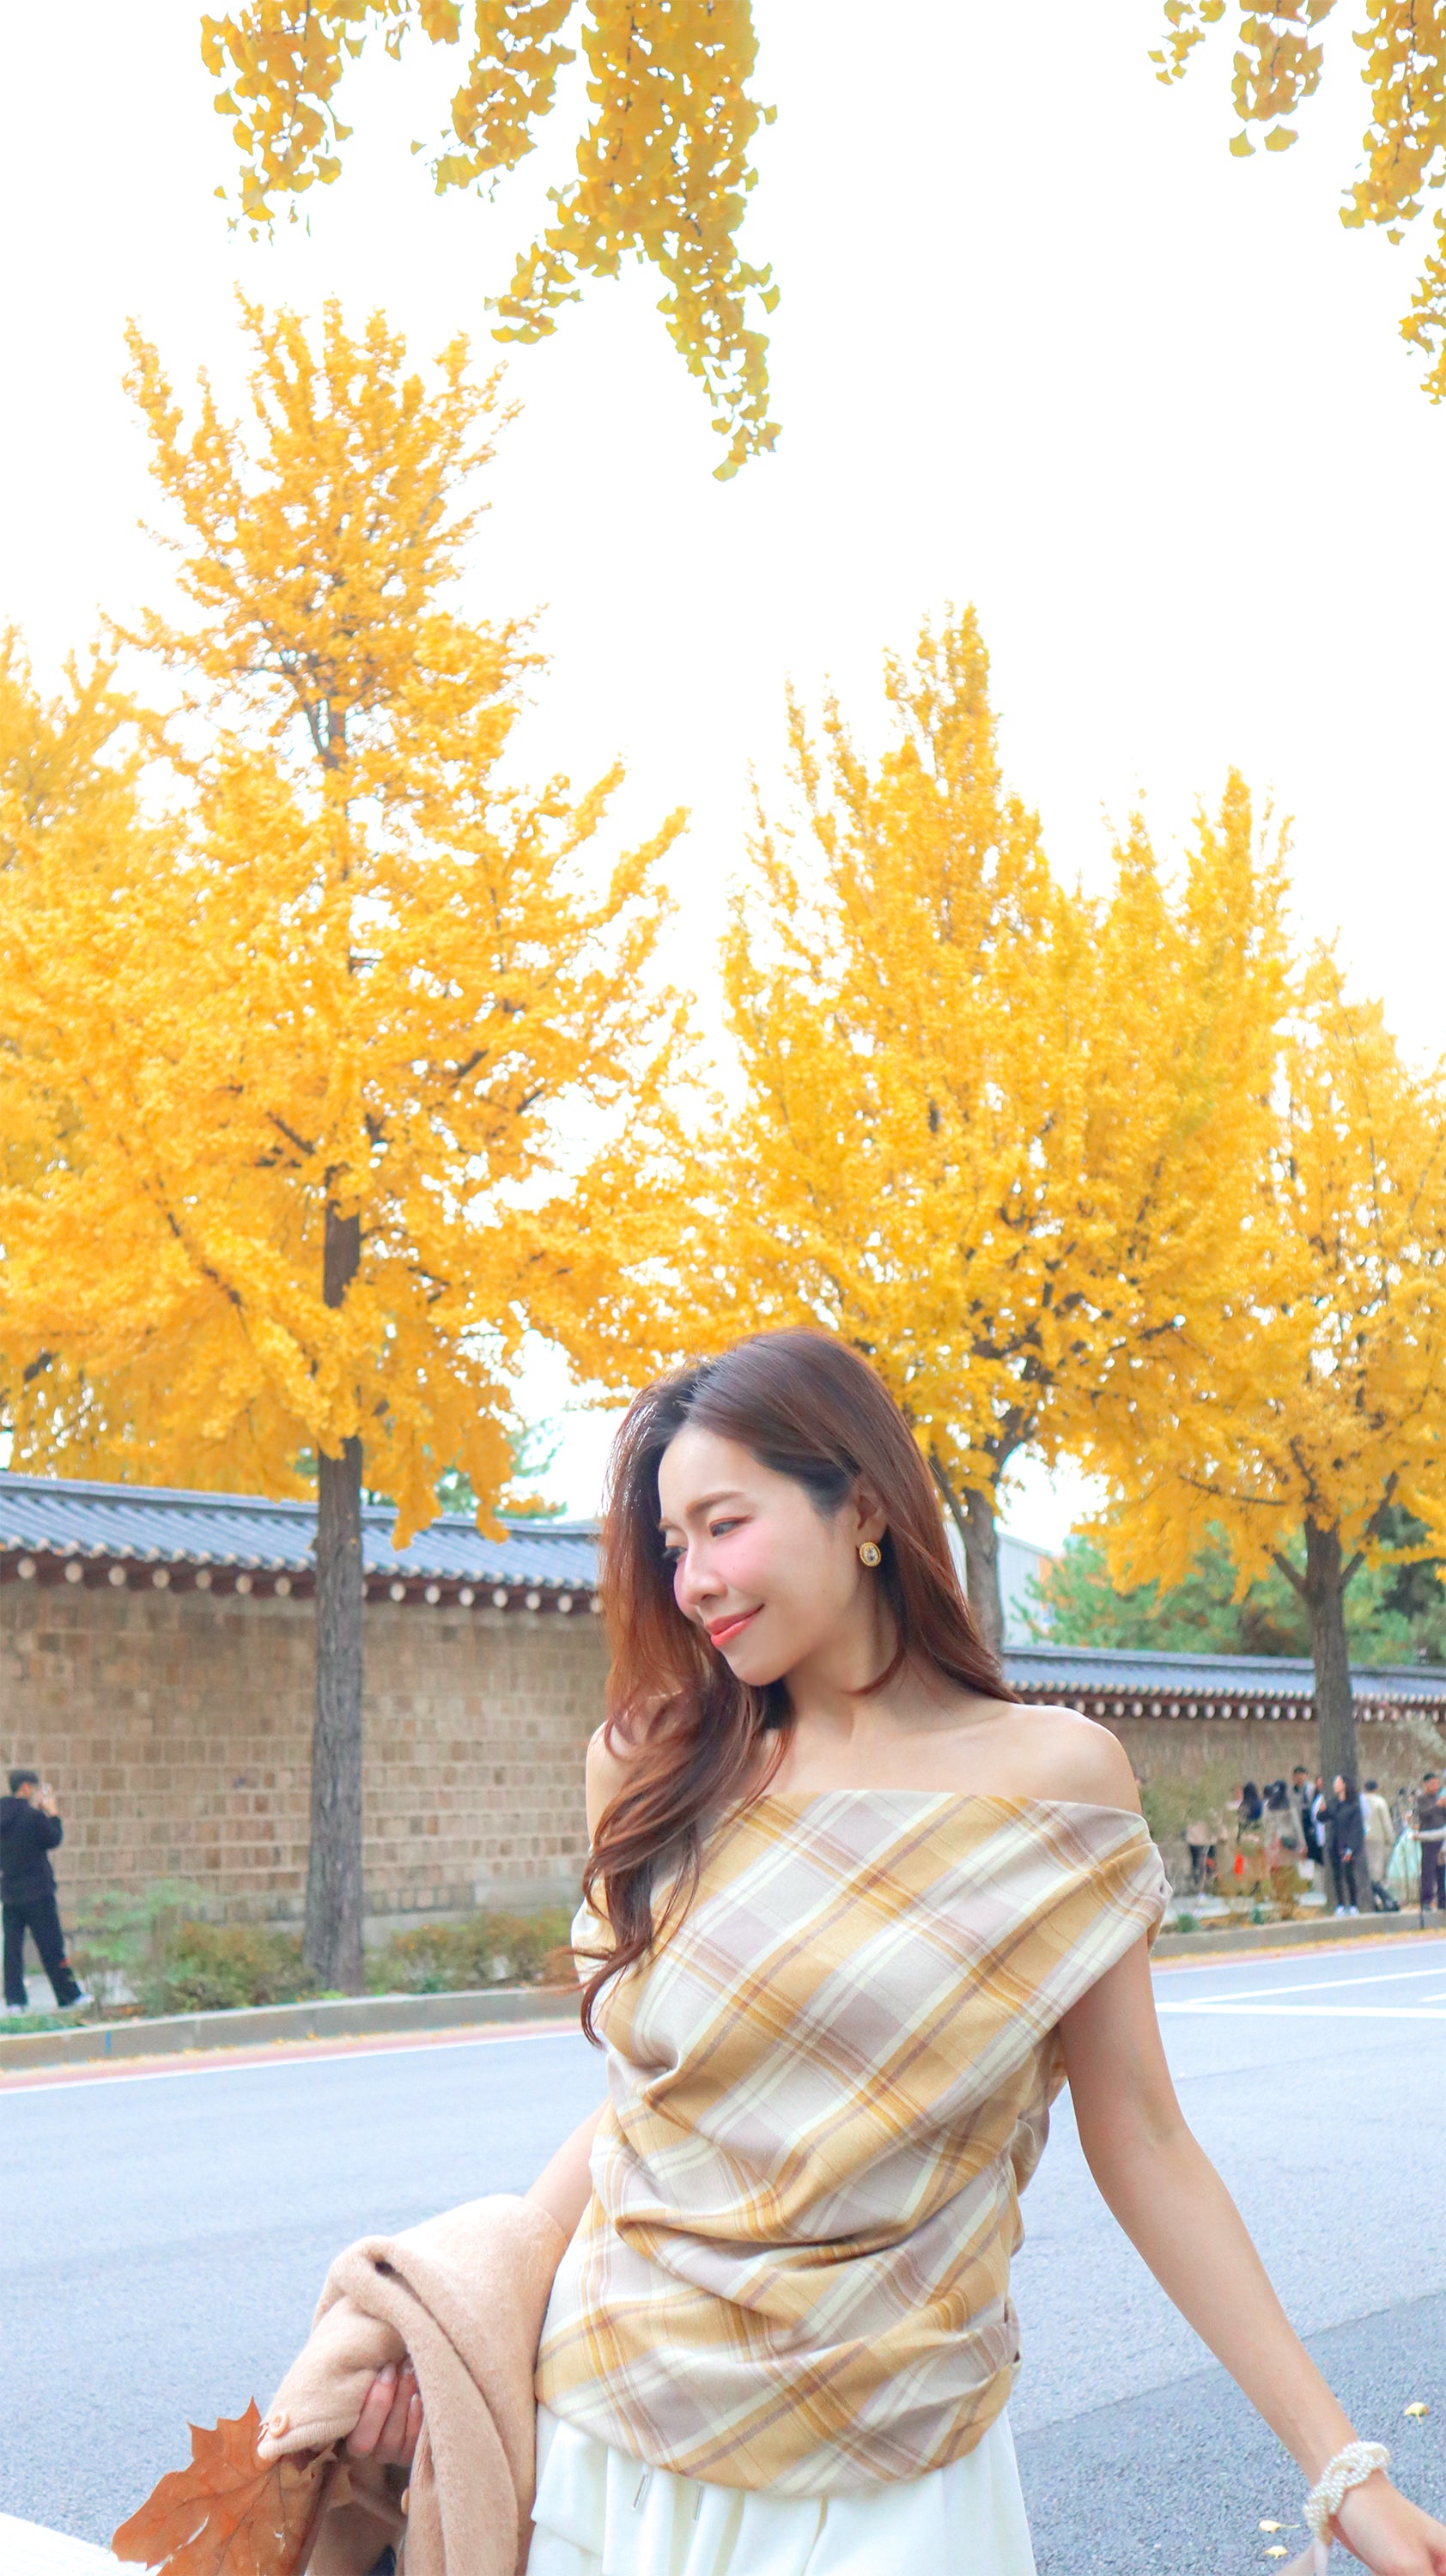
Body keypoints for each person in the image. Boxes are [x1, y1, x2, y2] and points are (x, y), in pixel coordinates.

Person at [346, 1334, 1446, 2573]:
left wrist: (1340, 2467)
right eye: (672, 1544)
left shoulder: (1053, 1783)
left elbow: (1143, 2139)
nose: (694, 1579)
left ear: (862, 1507)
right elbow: (641, 2113)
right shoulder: (649, 1767)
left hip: (897, 2465)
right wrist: (455, 2318)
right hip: (614, 2452)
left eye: (724, 1525)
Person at [1, 1770, 89, 2013]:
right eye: (33, 1787)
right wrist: (52, 1813)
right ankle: (68, 1995)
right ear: (25, 1788)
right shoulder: (32, 1816)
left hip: (10, 1892)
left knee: (12, 1949)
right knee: (51, 1945)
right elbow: (53, 1838)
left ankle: (15, 2000)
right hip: (38, 1892)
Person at [1321, 1771, 1363, 1917]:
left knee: (1349, 1875)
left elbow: (1357, 1828)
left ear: (1344, 1785)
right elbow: (1322, 1817)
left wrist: (1351, 1848)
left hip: (1347, 1845)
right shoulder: (1333, 1803)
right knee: (1337, 1875)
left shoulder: (1353, 1805)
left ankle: (1353, 1905)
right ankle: (1340, 1904)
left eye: (1337, 1783)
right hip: (1334, 1844)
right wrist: (1321, 1811)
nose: (1335, 1786)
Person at [1361, 1777, 1394, 1910]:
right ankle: (1377, 1898)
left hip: (1362, 1838)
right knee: (1376, 1869)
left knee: (1366, 1868)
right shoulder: (1380, 1801)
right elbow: (1386, 1822)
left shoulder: (1360, 1800)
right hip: (1377, 1837)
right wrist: (1391, 1839)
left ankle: (1369, 1897)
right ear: (1376, 1788)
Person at [1417, 1772, 1446, 1914]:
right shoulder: (1422, 1799)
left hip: (1442, 1838)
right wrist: (1437, 1805)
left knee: (1442, 1869)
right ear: (1426, 1785)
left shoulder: (1440, 1798)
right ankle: (1426, 1900)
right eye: (1433, 1784)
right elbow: (1423, 1814)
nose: (1436, 1786)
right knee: (1428, 1870)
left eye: (1437, 1783)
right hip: (1428, 1839)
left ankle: (1442, 1900)